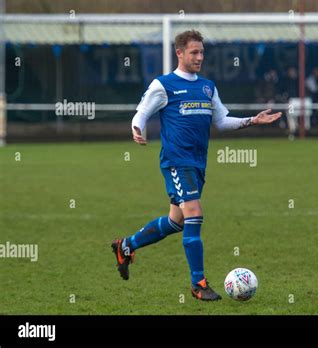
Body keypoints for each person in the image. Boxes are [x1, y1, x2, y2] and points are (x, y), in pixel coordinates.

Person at [111, 30, 281, 301]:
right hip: (176, 162)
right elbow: (142, 111)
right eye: (194, 52)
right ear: (179, 53)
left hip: (197, 164)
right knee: (195, 213)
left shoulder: (207, 87)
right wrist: (137, 128)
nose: (200, 57)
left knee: (176, 221)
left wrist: (253, 120)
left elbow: (222, 121)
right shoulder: (163, 85)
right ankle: (198, 284)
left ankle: (126, 247)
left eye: (202, 52)